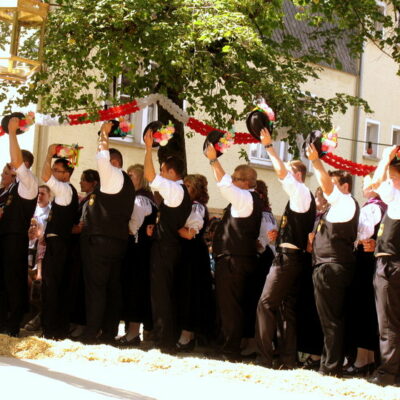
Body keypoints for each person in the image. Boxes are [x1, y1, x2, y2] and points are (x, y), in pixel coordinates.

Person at [255, 128, 316, 369]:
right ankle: (288, 360)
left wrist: (269, 147)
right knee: (285, 308)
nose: (284, 178)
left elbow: (282, 173)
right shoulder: (299, 198)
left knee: (265, 304)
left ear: (298, 176)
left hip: (288, 260)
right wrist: (278, 236)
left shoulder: (300, 192)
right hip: (293, 256)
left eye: (290, 174)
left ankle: (264, 357)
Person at [204, 143, 262, 358]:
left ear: (246, 182)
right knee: (229, 305)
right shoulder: (248, 199)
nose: (233, 180)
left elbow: (224, 184)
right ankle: (225, 345)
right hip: (237, 258)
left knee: (230, 306)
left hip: (234, 260)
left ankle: (230, 349)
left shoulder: (245, 197)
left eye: (237, 178)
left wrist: (213, 160)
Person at [79, 122, 135, 344]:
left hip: (101, 241)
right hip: (117, 241)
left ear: (115, 163)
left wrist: (104, 133)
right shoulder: (127, 183)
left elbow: (102, 155)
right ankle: (109, 331)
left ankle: (91, 333)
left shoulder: (113, 176)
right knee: (112, 288)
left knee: (96, 288)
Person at [306, 144, 359, 377]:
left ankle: (330, 366)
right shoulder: (333, 209)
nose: (328, 189)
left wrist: (317, 162)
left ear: (344, 187)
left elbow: (327, 187)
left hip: (332, 266)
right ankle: (329, 363)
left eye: (335, 184)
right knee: (328, 318)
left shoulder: (346, 202)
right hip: (326, 264)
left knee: (331, 318)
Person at [144, 130, 192, 353]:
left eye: (164, 170)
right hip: (167, 244)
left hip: (165, 247)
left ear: (172, 172)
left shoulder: (174, 188)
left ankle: (164, 341)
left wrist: (147, 148)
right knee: (162, 292)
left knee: (161, 294)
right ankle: (164, 337)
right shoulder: (177, 190)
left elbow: (150, 176)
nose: (161, 174)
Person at [343, 175, 386, 377]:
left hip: (365, 260)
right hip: (372, 261)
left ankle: (362, 359)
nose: (362, 187)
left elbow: (361, 234)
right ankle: (365, 358)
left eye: (365, 184)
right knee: (367, 308)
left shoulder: (373, 206)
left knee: (362, 307)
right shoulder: (384, 205)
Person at [0, 117, 38, 337]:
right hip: (5, 236)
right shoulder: (11, 188)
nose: (11, 165)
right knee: (3, 280)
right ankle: (3, 321)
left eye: (15, 163)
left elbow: (16, 160)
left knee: (13, 280)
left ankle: (13, 323)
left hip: (15, 238)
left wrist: (12, 133)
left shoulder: (29, 183)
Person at [368, 145, 400, 386]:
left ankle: (388, 373)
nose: (390, 180)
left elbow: (377, 184)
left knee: (388, 321)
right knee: (388, 320)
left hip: (392, 263)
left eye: (395, 177)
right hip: (387, 261)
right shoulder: (395, 197)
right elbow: (376, 183)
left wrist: (386, 160)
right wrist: (385, 160)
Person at [41, 148, 79, 339]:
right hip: (59, 243)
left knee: (52, 286)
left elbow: (44, 175)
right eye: (55, 170)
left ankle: (51, 328)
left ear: (68, 174)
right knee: (55, 286)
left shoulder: (64, 189)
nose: (54, 173)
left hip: (59, 246)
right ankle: (54, 327)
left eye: (58, 171)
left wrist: (48, 155)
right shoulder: (65, 191)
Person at [118, 164, 157, 347]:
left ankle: (133, 333)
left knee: (135, 290)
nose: (128, 178)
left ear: (141, 178)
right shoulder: (139, 198)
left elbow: (133, 225)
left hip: (138, 250)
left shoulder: (141, 200)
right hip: (137, 250)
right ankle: (130, 332)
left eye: (131, 175)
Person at [176, 174, 215, 351]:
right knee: (183, 292)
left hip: (193, 254)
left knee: (190, 293)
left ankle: (187, 336)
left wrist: (172, 227)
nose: (184, 188)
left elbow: (190, 232)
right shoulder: (187, 205)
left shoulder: (197, 207)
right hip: (186, 253)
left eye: (188, 186)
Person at [68, 169, 100, 338]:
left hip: (87, 248)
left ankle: (82, 323)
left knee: (83, 287)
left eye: (83, 180)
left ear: (93, 182)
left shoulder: (94, 200)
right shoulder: (86, 199)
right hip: (79, 248)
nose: (80, 183)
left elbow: (83, 225)